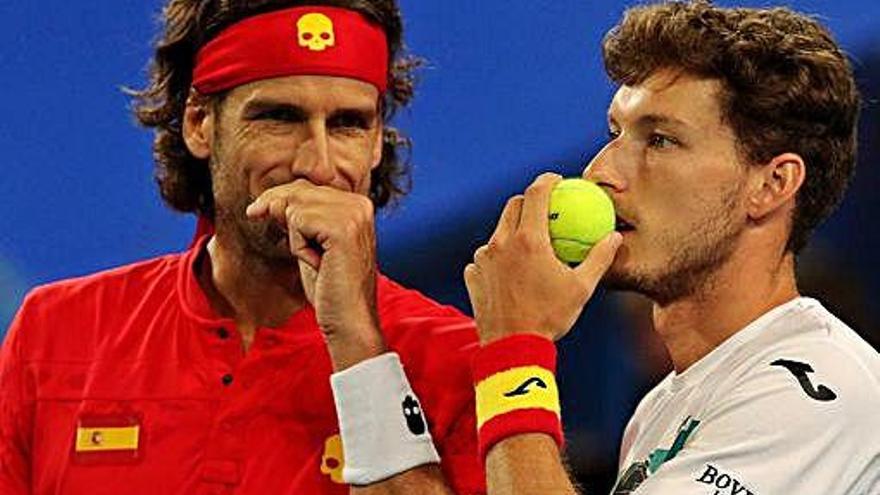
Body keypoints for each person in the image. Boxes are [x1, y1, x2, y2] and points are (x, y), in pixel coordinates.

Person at [0, 1, 485, 494]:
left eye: (348, 124)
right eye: (279, 117)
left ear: (378, 140)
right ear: (198, 124)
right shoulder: (55, 332)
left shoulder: (456, 357)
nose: (317, 165)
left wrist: (356, 341)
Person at [463, 1, 880, 494]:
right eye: (615, 132)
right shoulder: (661, 408)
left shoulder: (815, 391)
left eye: (660, 140)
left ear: (772, 184)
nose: (600, 173)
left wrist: (515, 346)